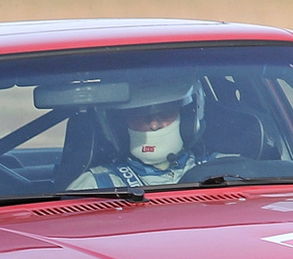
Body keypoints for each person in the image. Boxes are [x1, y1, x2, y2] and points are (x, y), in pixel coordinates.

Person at [66, 77, 209, 190]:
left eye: (165, 113)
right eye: (138, 115)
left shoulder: (223, 169)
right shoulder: (95, 186)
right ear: (120, 126)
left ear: (187, 118)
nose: (154, 124)